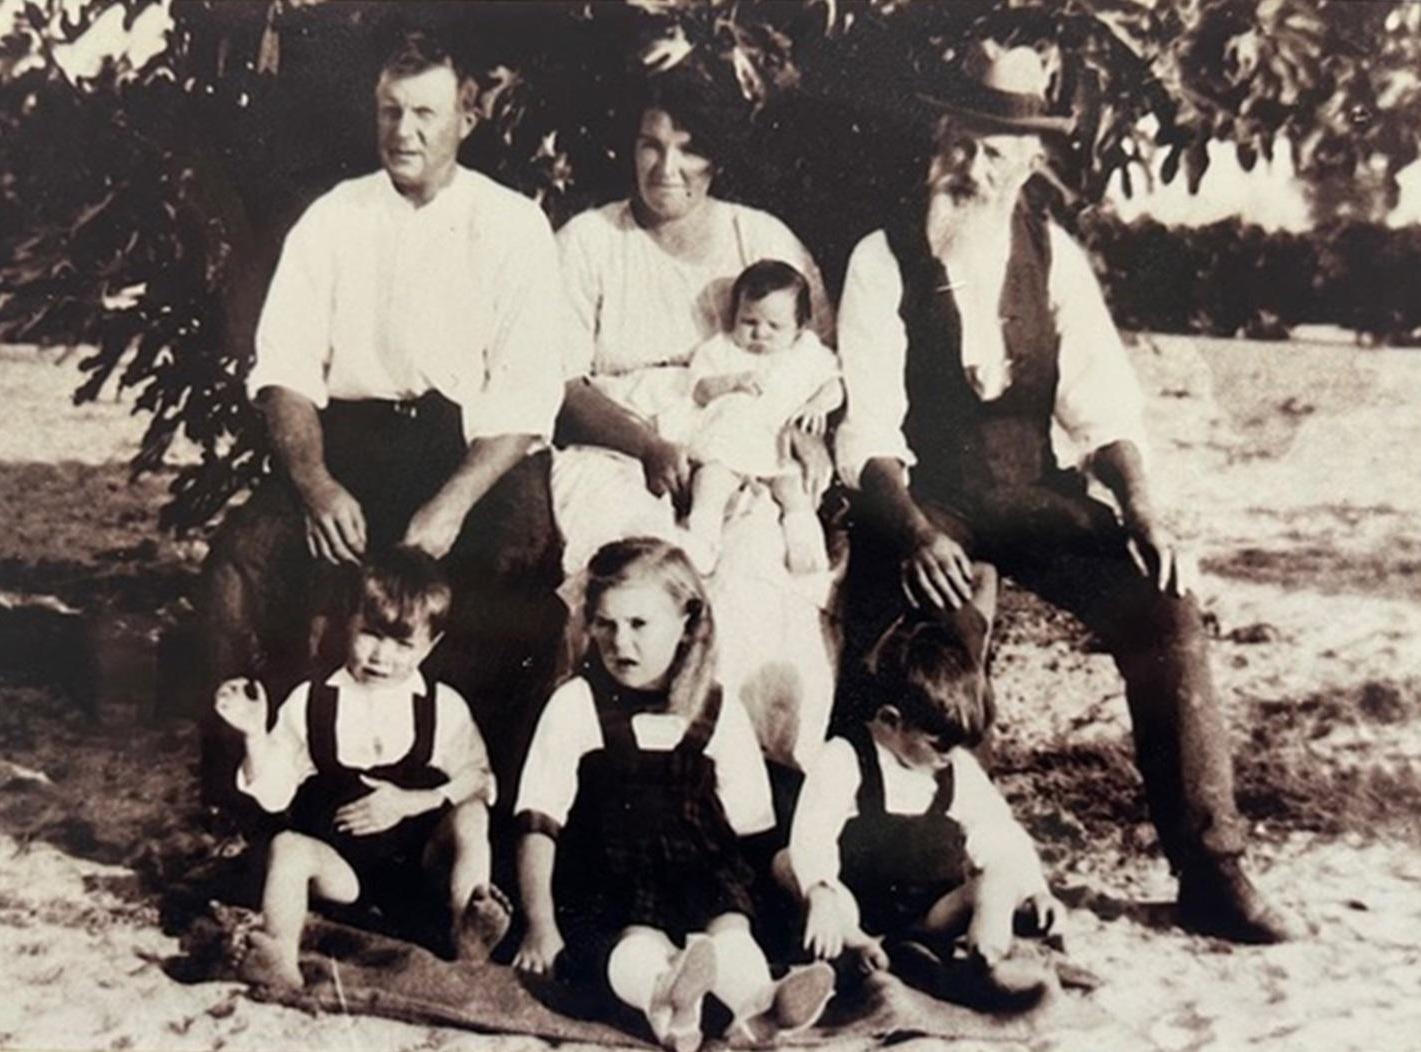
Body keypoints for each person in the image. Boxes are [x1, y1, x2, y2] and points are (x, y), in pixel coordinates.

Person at [835, 40, 1303, 944]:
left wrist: (1144, 509)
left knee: (1166, 608)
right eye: (962, 142)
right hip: (928, 500)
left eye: (995, 152)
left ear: (1028, 164)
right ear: (940, 138)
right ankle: (937, 882)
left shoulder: (1055, 255)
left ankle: (1213, 870)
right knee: (940, 646)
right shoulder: (881, 257)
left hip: (1033, 494)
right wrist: (918, 532)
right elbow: (869, 429)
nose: (971, 167)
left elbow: (1105, 407)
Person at [198, 30, 566, 813]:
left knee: (510, 565)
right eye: (391, 111)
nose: (406, 132)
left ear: (468, 117)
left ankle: (462, 806)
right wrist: (315, 482)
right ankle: (250, 794)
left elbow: (527, 394)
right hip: (349, 446)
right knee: (241, 562)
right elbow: (286, 371)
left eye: (427, 113)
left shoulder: (512, 226)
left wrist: (454, 502)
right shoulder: (334, 219)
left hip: (470, 450)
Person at [554, 67, 838, 771]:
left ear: (718, 156)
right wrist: (648, 444)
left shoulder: (761, 237)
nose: (667, 167)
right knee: (643, 577)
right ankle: (622, 774)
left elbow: (814, 363)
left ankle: (749, 784)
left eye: (688, 148)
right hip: (617, 451)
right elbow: (557, 382)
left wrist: (807, 438)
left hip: (740, 454)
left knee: (753, 582)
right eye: (650, 145)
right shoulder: (590, 241)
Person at [511, 539, 835, 1050]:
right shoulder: (576, 703)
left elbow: (757, 833)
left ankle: (758, 1003)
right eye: (605, 624)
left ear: (687, 622)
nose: (621, 643)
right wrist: (540, 924)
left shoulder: (715, 708)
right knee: (637, 944)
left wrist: (815, 891)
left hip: (700, 870)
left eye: (639, 624)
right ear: (589, 624)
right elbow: (538, 822)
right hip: (609, 871)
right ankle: (666, 997)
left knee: (730, 931)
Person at [213, 547, 511, 990]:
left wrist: (414, 802)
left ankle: (467, 925)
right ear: (347, 622)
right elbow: (275, 795)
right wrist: (255, 735)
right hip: (343, 870)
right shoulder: (311, 701)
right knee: (289, 848)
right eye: (370, 634)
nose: (381, 657)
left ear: (430, 646)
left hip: (421, 867)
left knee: (471, 814)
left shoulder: (442, 705)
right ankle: (277, 952)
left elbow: (480, 779)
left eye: (403, 644)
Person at [776, 608, 1063, 1010]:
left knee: (999, 879)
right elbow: (813, 833)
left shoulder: (954, 768)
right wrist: (821, 892)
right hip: (858, 910)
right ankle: (857, 948)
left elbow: (997, 832)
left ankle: (988, 959)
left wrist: (1035, 890)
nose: (948, 757)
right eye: (937, 744)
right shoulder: (845, 757)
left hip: (931, 916)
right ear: (891, 721)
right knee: (789, 863)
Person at [675, 260, 844, 575]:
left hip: (778, 441)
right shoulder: (722, 348)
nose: (759, 333)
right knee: (710, 481)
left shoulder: (807, 352)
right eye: (748, 321)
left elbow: (835, 384)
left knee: (794, 489)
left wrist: (817, 405)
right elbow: (698, 389)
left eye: (774, 326)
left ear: (800, 326)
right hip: (728, 438)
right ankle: (702, 538)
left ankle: (804, 543)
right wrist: (730, 382)